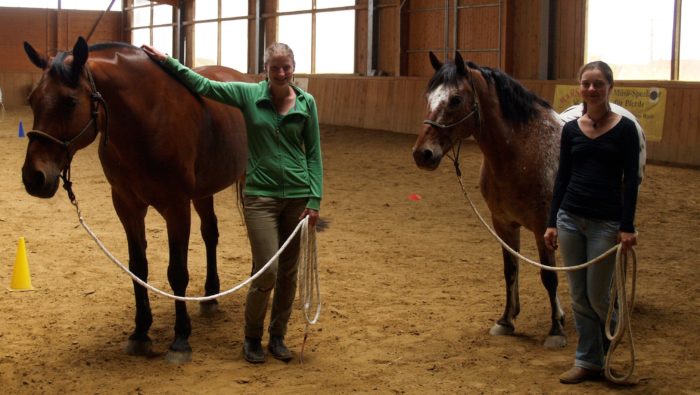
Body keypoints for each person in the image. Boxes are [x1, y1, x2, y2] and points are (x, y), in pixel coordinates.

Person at [142, 43, 323, 364]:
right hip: (261, 197)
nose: (281, 73)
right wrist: (167, 62)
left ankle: (277, 336)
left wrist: (314, 197)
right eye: (275, 68)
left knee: (289, 274)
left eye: (287, 67)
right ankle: (252, 337)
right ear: (265, 69)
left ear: (294, 67)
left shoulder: (307, 103)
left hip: (297, 197)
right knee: (267, 270)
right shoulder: (248, 95)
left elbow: (313, 154)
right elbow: (203, 85)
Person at [543, 61, 639, 384]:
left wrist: (627, 226)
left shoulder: (625, 130)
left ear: (610, 86)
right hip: (570, 218)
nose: (592, 89)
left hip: (606, 223)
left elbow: (630, 182)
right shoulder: (571, 130)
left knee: (599, 296)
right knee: (578, 296)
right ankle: (588, 360)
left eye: (598, 83)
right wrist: (553, 220)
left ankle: (610, 343)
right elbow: (562, 178)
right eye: (586, 83)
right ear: (580, 87)